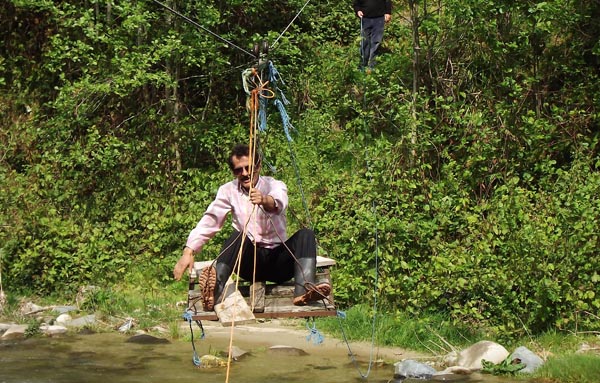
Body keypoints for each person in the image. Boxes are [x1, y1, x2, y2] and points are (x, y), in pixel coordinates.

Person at [173, 143, 331, 311]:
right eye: (238, 170)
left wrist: (264, 199)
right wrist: (188, 252)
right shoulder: (228, 190)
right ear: (233, 172)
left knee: (306, 234)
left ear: (259, 165)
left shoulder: (275, 185)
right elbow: (211, 219)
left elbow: (278, 202)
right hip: (250, 263)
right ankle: (213, 291)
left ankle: (304, 291)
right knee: (237, 236)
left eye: (249, 168)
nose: (245, 173)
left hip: (279, 262)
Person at [353, 0, 392, 69]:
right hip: (365, 18)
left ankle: (372, 65)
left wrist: (388, 12)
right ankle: (363, 64)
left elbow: (387, 1)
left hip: (379, 18)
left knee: (376, 41)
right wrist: (358, 10)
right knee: (364, 41)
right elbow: (356, 2)